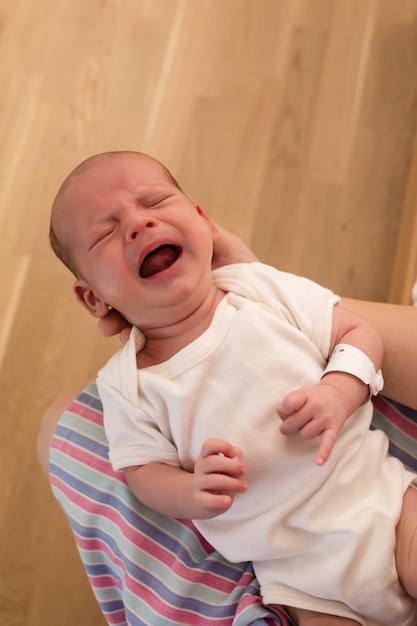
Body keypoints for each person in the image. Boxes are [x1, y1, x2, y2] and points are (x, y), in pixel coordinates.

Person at [48, 150, 417, 626]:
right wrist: (190, 489)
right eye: (105, 233)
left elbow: (358, 334)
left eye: (155, 201)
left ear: (204, 221)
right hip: (301, 577)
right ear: (92, 297)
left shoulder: (259, 288)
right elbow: (141, 474)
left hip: (381, 502)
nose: (138, 225)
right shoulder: (125, 386)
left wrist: (337, 391)